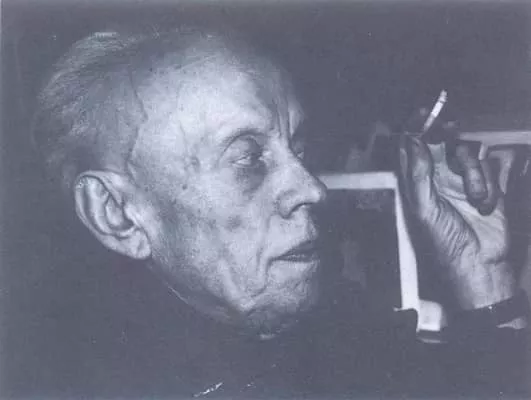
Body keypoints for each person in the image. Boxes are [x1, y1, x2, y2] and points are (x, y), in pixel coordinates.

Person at [31, 24, 529, 398]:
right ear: (117, 214)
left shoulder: (328, 332)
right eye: (247, 158)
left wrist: (483, 278)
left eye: (299, 147)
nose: (311, 188)